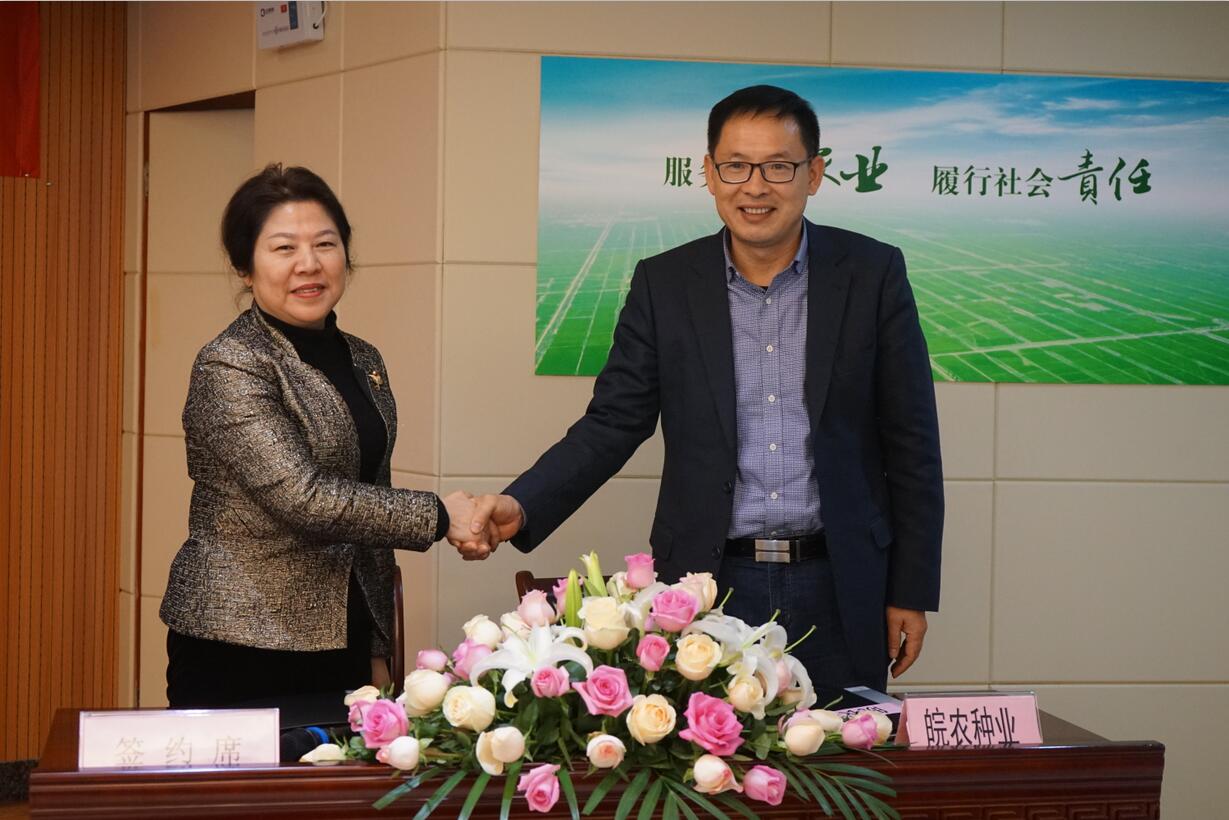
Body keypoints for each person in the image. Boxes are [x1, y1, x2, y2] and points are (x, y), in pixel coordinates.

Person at [460, 86, 943, 694]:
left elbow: (912, 441)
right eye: (736, 166)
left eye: (778, 167)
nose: (755, 186)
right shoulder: (665, 284)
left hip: (842, 582)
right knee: (712, 752)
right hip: (707, 584)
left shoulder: (872, 274)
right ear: (709, 174)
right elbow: (613, 422)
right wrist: (523, 503)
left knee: (842, 751)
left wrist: (910, 589)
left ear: (814, 174)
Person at [160, 164, 482, 708]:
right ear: (244, 266)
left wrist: (377, 643)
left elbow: (370, 496)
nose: (308, 264)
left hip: (344, 633)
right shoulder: (231, 363)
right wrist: (441, 516)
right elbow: (301, 497)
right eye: (284, 248)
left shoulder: (362, 357)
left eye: (325, 244)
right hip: (242, 640)